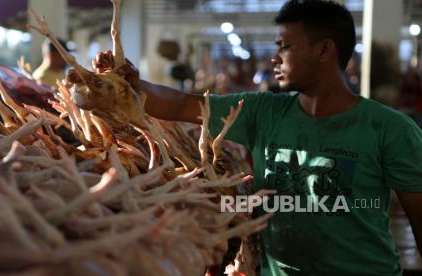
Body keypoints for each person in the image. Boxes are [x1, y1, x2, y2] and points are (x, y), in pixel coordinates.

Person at [119, 0, 422, 275]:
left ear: (324, 50)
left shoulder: (391, 129)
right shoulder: (261, 112)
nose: (275, 58)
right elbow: (181, 103)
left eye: (285, 47)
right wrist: (125, 84)